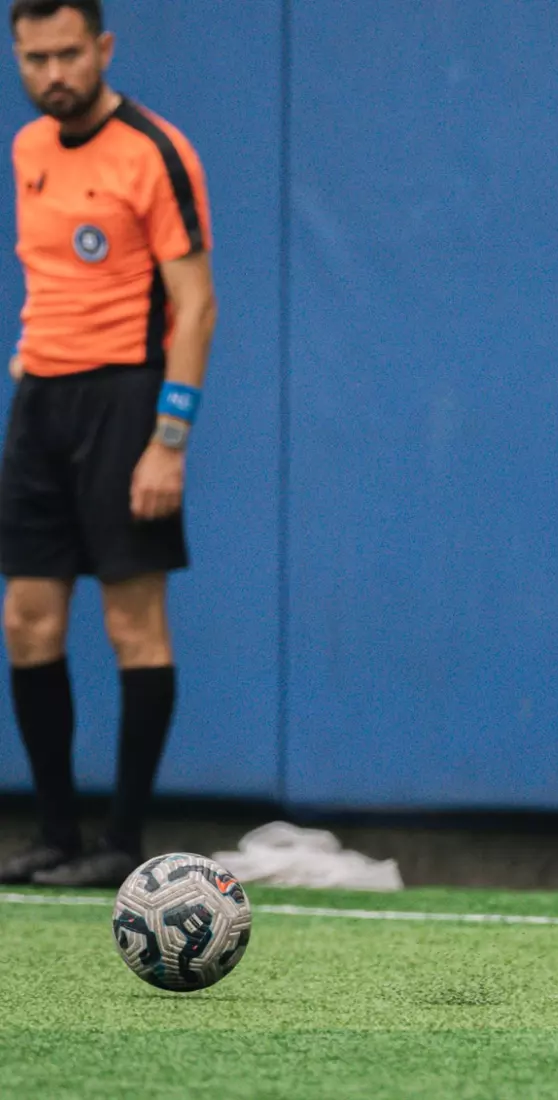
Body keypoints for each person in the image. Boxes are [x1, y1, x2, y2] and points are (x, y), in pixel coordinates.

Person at [0, 0, 215, 888]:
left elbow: (196, 304)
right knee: (26, 621)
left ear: (103, 49)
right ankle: (56, 834)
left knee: (133, 624)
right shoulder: (27, 151)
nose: (52, 74)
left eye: (68, 54)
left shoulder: (156, 150)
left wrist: (168, 441)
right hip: (37, 396)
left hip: (128, 397)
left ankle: (122, 844)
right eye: (33, 57)